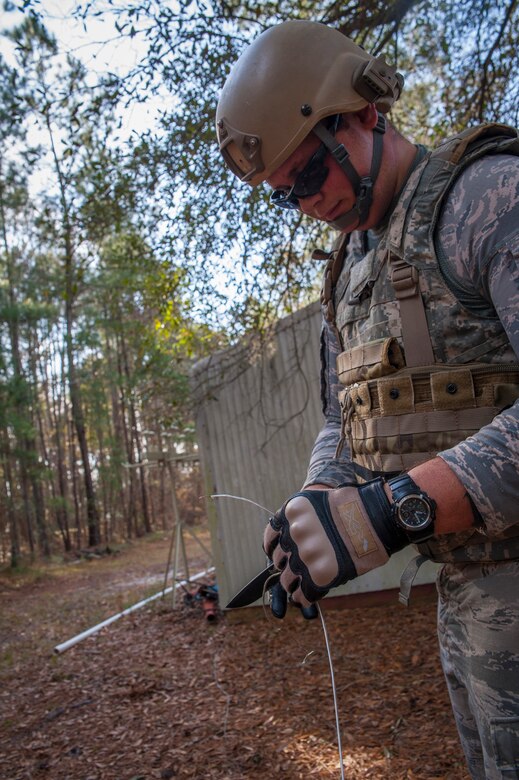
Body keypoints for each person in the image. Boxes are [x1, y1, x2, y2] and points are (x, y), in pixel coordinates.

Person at [216, 20, 519, 779]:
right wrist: (324, 498)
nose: (306, 205)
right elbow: (341, 416)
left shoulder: (488, 197)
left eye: (309, 175)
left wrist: (395, 511)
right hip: (468, 599)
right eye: (284, 196)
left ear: (360, 113)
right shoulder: (350, 267)